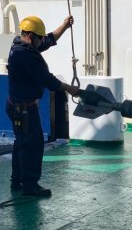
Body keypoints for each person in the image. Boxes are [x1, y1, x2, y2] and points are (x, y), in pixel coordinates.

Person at [6, 15, 80, 197]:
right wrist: (70, 89)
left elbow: (48, 40)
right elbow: (47, 80)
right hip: (25, 110)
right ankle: (30, 185)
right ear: (30, 36)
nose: (41, 42)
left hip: (16, 107)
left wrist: (64, 26)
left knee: (21, 144)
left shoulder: (20, 45)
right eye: (38, 38)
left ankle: (17, 181)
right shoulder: (25, 55)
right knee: (33, 144)